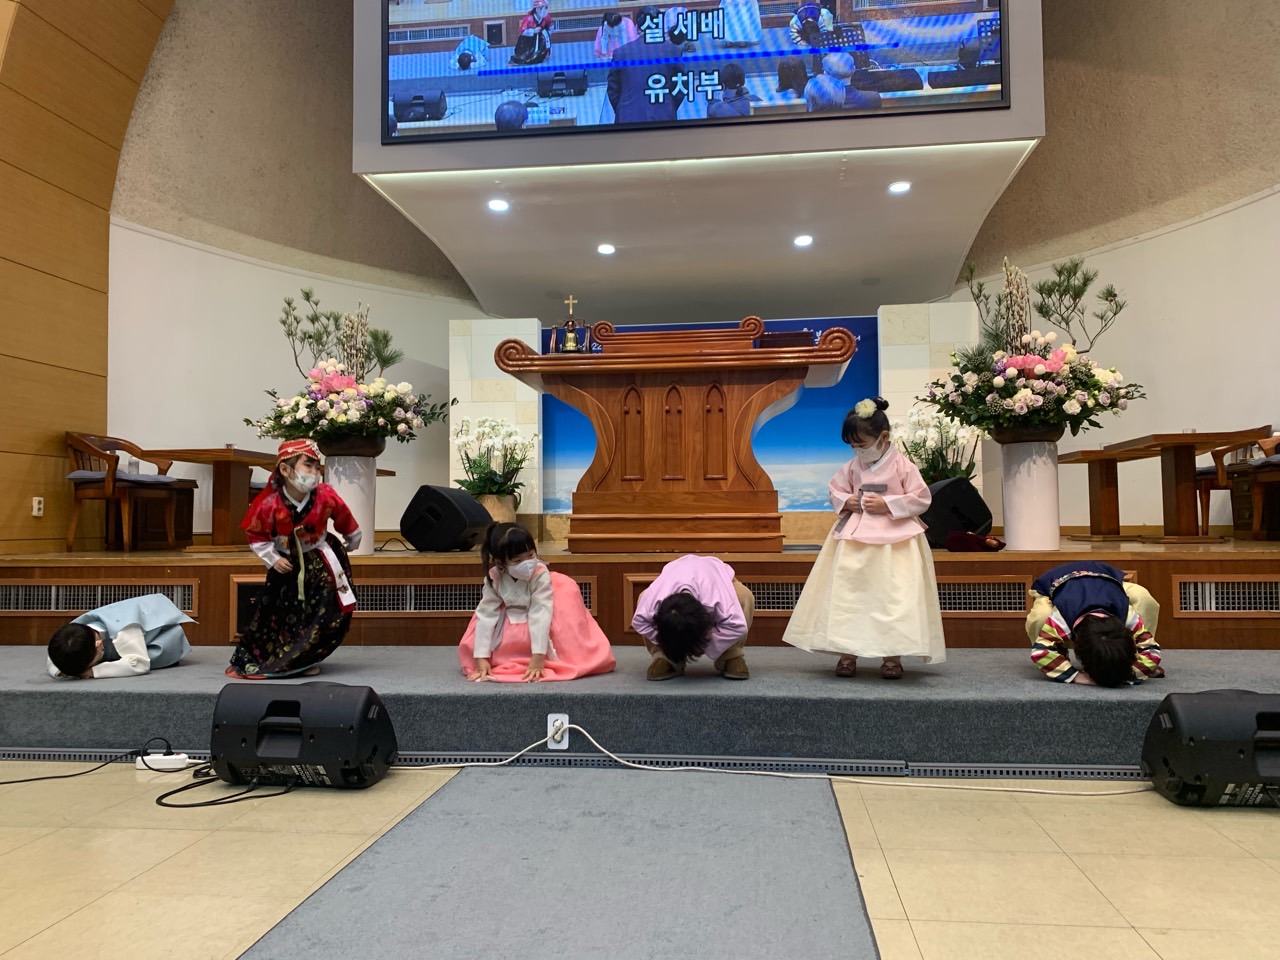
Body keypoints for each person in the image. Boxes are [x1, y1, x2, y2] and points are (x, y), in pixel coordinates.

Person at [782, 397, 946, 678]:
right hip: (855, 541)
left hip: (896, 543)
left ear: (884, 437)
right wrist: (847, 501)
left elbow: (921, 498)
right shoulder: (852, 467)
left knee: (894, 599)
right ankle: (847, 654)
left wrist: (888, 504)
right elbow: (835, 489)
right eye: (853, 446)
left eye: (862, 444)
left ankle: (892, 657)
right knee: (850, 596)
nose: (858, 451)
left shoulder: (904, 466)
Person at [229, 438, 361, 679]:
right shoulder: (269, 503)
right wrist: (272, 558)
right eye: (307, 465)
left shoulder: (325, 495)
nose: (314, 472)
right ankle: (284, 659)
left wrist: (352, 537)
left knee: (325, 611)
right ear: (285, 469)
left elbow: (344, 517)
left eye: (317, 467)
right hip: (287, 565)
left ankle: (307, 656)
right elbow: (256, 534)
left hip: (320, 560)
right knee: (281, 613)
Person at [459, 523, 615, 682]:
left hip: (540, 613)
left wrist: (538, 656)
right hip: (508, 617)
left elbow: (540, 611)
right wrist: (481, 657)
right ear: (501, 563)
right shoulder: (494, 577)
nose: (527, 563)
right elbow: (486, 615)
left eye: (531, 555)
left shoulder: (539, 573)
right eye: (518, 560)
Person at [1026, 560, 1164, 686]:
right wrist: (1075, 676)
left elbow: (1151, 649)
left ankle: (1134, 657)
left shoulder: (1127, 614)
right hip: (1057, 580)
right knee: (1041, 616)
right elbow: (1040, 652)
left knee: (1144, 599)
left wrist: (1134, 672)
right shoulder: (1062, 617)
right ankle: (1057, 656)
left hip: (1103, 575)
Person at [632, 554, 754, 680]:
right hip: (676, 569)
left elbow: (738, 626)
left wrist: (702, 644)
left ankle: (731, 655)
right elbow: (639, 621)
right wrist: (668, 645)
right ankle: (666, 657)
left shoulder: (718, 598)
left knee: (744, 596)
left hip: (716, 574)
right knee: (642, 597)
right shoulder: (655, 599)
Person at [46, 594, 192, 679]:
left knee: (147, 656)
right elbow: (57, 656)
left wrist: (92, 672)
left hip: (158, 629)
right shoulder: (74, 631)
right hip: (112, 627)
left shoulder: (125, 630)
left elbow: (140, 664)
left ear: (99, 645)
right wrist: (62, 671)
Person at [607, 6, 688, 125]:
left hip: (627, 119)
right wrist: (668, 107)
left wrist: (623, 110)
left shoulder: (620, 53)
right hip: (664, 118)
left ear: (637, 28)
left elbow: (613, 90)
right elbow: (681, 87)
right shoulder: (673, 51)